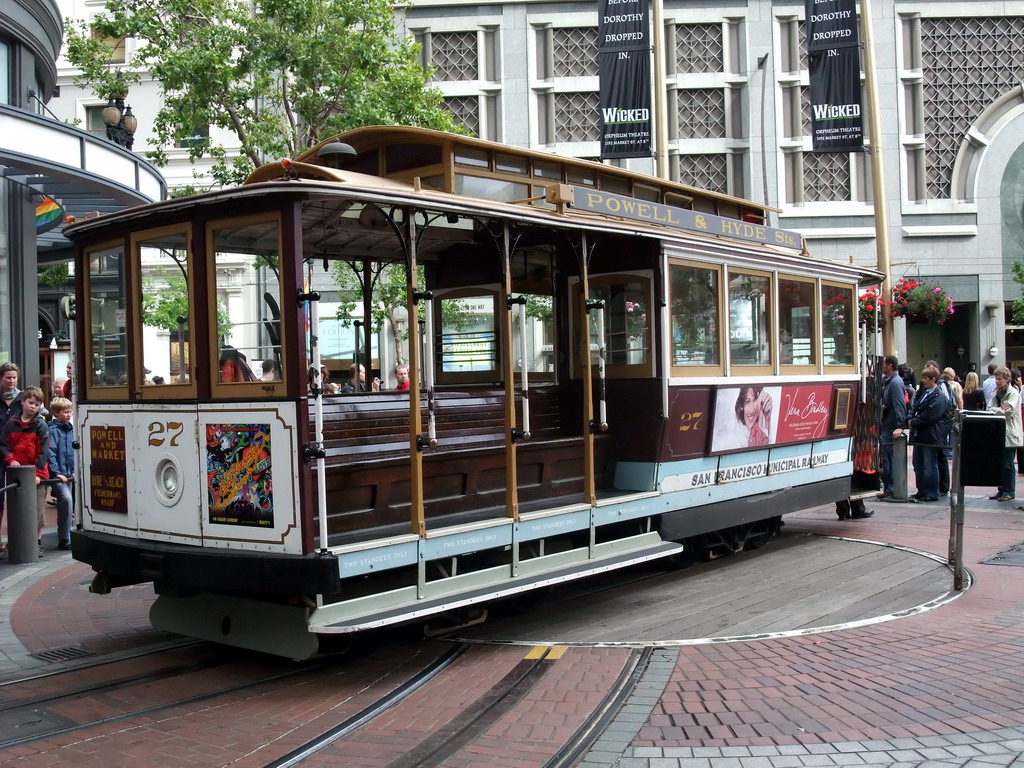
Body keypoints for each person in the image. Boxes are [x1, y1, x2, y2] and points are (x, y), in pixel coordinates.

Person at [0, 386, 49, 556]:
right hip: (17, 473)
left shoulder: (41, 425)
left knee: (36, 510)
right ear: (22, 402)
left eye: (37, 404)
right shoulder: (11, 423)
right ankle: (16, 542)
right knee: (16, 509)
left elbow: (44, 452)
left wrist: (38, 474)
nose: (33, 406)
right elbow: (3, 444)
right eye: (30, 403)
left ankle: (37, 542)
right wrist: (11, 459)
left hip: (36, 474)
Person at [908, 369, 945, 502]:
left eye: (926, 378)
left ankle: (931, 492)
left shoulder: (939, 396)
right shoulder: (924, 393)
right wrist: (911, 418)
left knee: (930, 465)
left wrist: (914, 421)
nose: (923, 381)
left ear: (933, 379)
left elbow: (931, 416)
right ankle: (921, 490)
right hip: (920, 435)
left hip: (931, 436)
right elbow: (915, 407)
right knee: (918, 464)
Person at [988, 367, 1023, 502]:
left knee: (1008, 464)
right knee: (999, 463)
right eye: (996, 378)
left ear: (1007, 379)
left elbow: (1008, 412)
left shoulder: (1013, 394)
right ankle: (1001, 489)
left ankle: (1009, 491)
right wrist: (998, 410)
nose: (997, 381)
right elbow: (989, 409)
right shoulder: (995, 393)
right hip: (998, 432)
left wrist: (996, 411)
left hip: (1010, 434)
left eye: (1000, 379)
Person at [878, 355, 908, 501]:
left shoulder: (895, 383)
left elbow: (899, 404)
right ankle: (889, 488)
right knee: (887, 458)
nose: (882, 367)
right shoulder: (888, 381)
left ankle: (892, 488)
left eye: (884, 364)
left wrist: (900, 425)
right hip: (887, 424)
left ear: (889, 366)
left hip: (891, 426)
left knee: (889, 458)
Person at [47, 397, 74, 550]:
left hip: (69, 474)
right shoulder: (53, 430)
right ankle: (64, 537)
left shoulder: (70, 429)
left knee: (70, 503)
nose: (69, 415)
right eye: (66, 412)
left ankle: (69, 534)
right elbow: (51, 452)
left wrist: (75, 470)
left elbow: (74, 453)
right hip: (58, 475)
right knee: (66, 499)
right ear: (56, 413)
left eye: (70, 411)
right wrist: (56, 472)